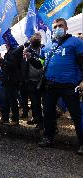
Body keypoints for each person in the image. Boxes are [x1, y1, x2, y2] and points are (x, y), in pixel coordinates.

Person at [37, 18, 83, 155]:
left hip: (70, 86)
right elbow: (41, 64)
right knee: (49, 113)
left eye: (60, 26)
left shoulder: (76, 42)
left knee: (76, 115)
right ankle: (48, 138)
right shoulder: (48, 45)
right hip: (50, 86)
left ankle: (82, 143)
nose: (58, 28)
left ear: (66, 27)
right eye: (55, 26)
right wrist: (30, 58)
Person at [22, 33, 44, 128]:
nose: (36, 40)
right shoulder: (26, 50)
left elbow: (42, 63)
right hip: (30, 80)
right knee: (35, 102)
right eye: (34, 38)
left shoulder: (43, 49)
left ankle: (41, 122)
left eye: (38, 39)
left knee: (43, 103)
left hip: (41, 80)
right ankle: (36, 118)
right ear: (31, 40)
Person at [0, 43, 21, 126]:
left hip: (12, 81)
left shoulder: (14, 53)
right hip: (5, 80)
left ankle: (15, 119)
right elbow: (6, 66)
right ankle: (5, 118)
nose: (5, 45)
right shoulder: (7, 53)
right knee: (4, 101)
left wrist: (2, 61)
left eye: (6, 44)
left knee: (12, 101)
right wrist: (2, 64)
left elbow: (12, 66)